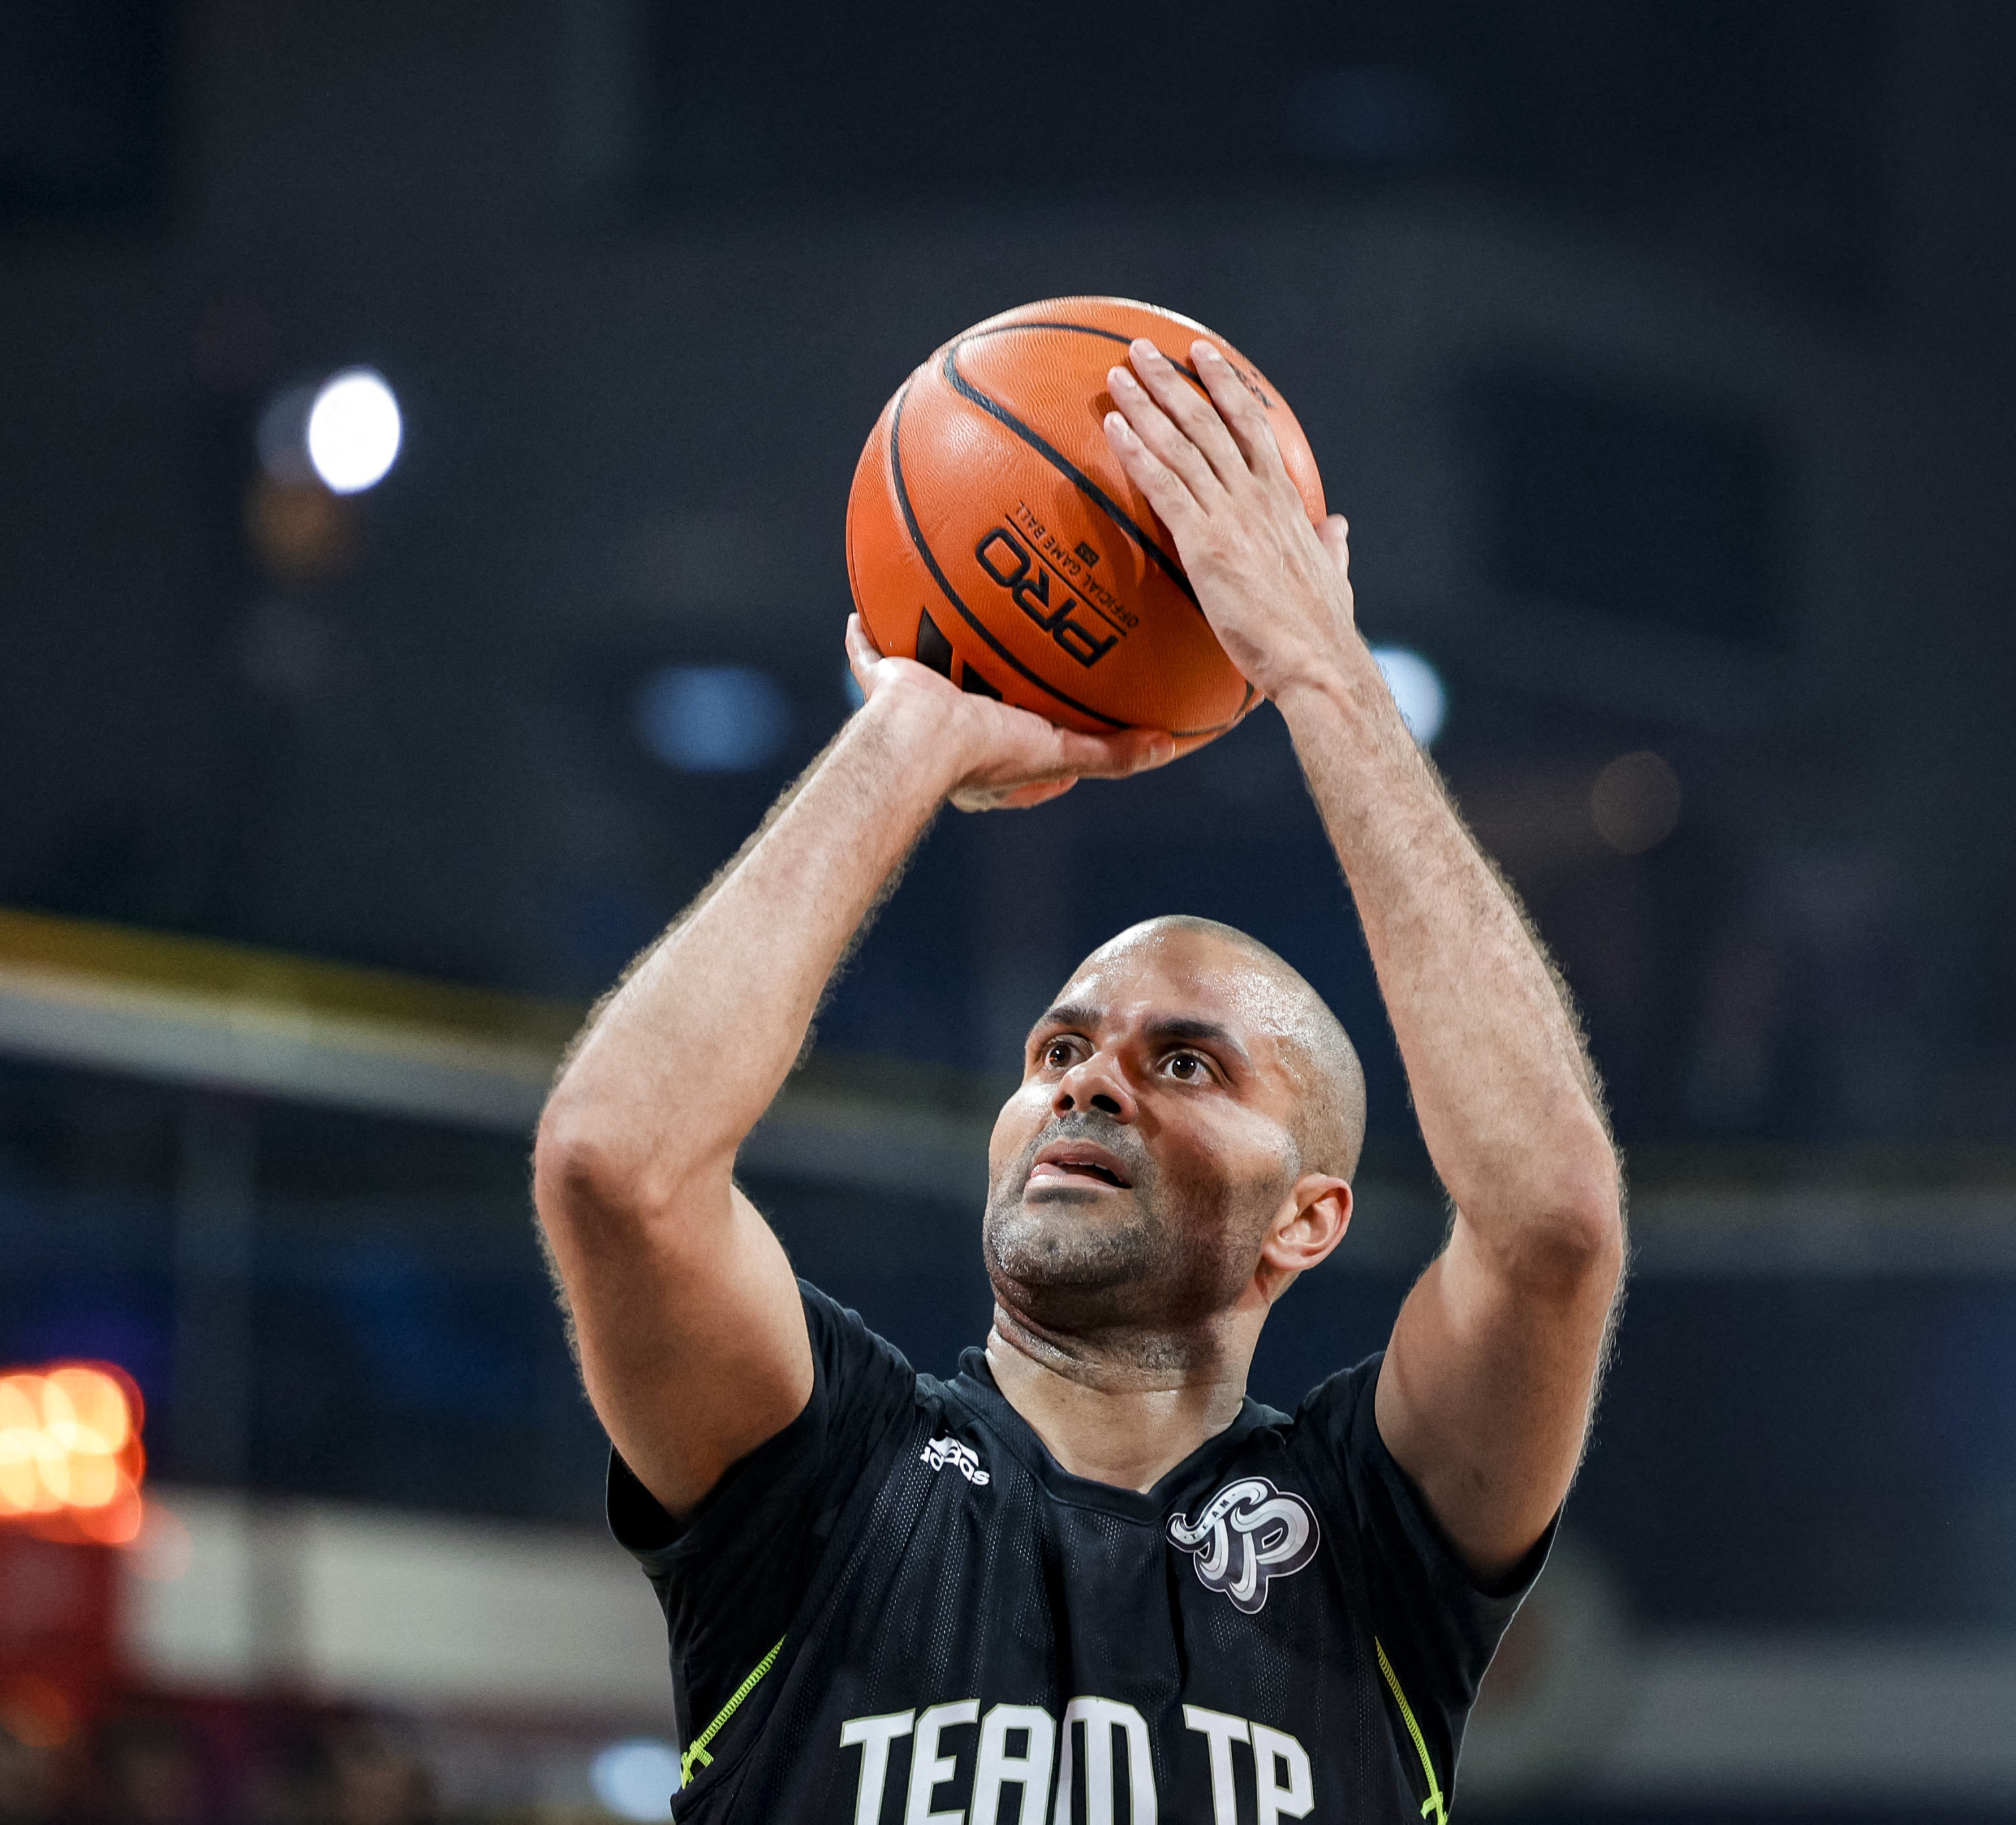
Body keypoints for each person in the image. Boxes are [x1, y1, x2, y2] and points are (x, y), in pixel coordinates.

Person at [533, 336, 1625, 1821]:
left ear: (1307, 1220)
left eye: (1185, 1062)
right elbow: (614, 1163)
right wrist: (912, 730)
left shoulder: (1370, 1540)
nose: (1089, 1084)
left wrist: (1318, 667)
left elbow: (1550, 1222)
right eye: (1057, 1050)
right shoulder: (830, 1482)